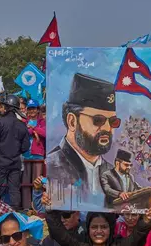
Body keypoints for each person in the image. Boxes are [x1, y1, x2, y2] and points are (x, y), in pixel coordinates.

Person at [47, 73, 118, 207]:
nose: (107, 128)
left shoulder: (112, 172)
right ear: (72, 121)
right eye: (98, 120)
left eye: (113, 121)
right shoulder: (52, 166)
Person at [0, 94, 30, 209]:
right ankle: (15, 215)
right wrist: (15, 152)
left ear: (7, 107)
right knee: (14, 190)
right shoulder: (22, 125)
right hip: (15, 162)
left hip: (0, 161)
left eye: (1, 106)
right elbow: (26, 146)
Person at [22, 99, 46, 210]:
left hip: (38, 154)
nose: (31, 111)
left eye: (34, 108)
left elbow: (45, 133)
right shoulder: (23, 121)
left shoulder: (43, 122)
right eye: (29, 108)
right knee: (26, 181)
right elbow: (23, 133)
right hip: (26, 154)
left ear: (38, 110)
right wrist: (33, 131)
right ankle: (27, 207)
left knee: (37, 181)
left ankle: (37, 206)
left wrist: (34, 128)